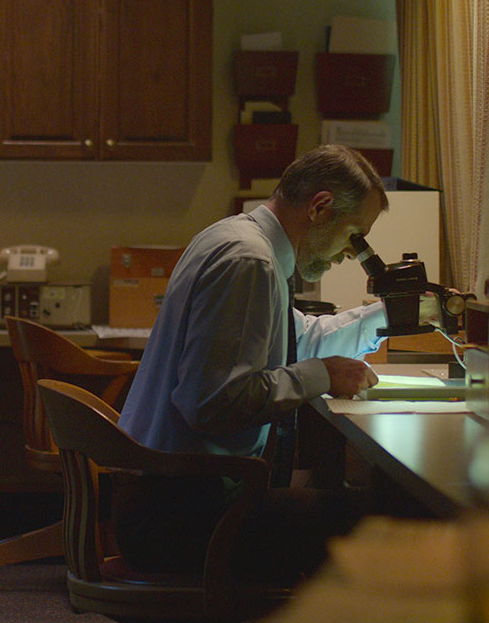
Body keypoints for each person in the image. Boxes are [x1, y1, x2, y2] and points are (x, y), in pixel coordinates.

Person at [115, 144, 439, 584]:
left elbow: (298, 339)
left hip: (165, 497)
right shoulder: (248, 262)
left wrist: (391, 315)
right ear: (320, 208)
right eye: (354, 235)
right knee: (387, 524)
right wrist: (321, 375)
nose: (351, 254)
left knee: (355, 506)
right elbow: (213, 403)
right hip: (178, 519)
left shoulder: (238, 239)